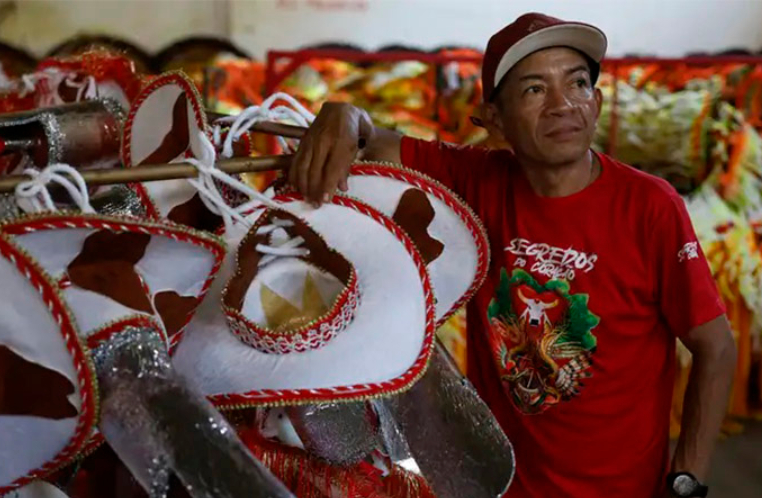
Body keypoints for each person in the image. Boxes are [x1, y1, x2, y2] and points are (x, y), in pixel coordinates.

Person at [288, 12, 737, 498]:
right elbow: (372, 141)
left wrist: (686, 483)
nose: (564, 104)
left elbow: (716, 347)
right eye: (534, 90)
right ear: (494, 120)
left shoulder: (650, 207)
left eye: (579, 83)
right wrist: (343, 112)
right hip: (505, 487)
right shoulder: (476, 181)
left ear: (598, 101)